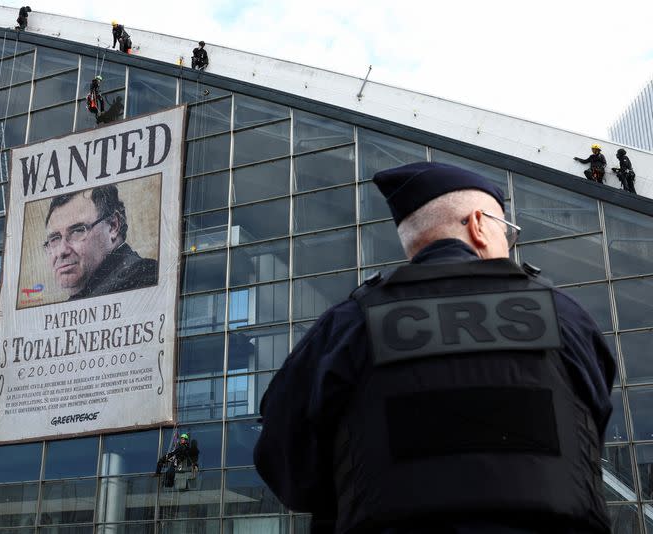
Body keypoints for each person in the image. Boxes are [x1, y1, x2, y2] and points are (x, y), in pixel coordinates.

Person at [254, 162, 615, 533]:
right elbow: (592, 425)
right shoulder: (564, 316)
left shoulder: (348, 325)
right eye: (507, 231)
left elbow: (286, 463)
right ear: (478, 223)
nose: (508, 243)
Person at [44, 184, 158, 300]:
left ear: (113, 226)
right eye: (55, 239)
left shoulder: (145, 277)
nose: (61, 251)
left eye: (77, 231)